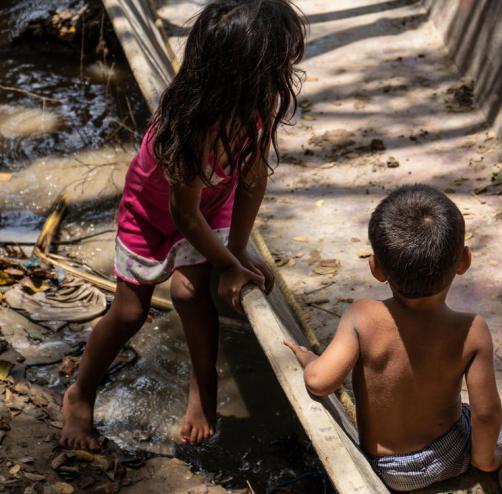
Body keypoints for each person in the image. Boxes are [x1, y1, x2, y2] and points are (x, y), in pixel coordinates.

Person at [60, 0, 306, 450]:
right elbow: (182, 215)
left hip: (210, 208)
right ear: (244, 72)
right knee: (130, 313)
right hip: (151, 216)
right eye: (279, 62)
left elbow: (252, 181)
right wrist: (228, 264)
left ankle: (203, 388)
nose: (286, 71)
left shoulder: (257, 104)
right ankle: (81, 392)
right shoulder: (191, 126)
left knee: (191, 293)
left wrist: (239, 247)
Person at [284, 185, 502, 492]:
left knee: (471, 418)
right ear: (464, 261)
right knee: (493, 426)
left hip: (390, 470)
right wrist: (488, 458)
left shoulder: (361, 316)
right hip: (451, 455)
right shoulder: (471, 330)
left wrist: (311, 360)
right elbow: (487, 413)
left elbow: (319, 382)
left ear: (375, 268)